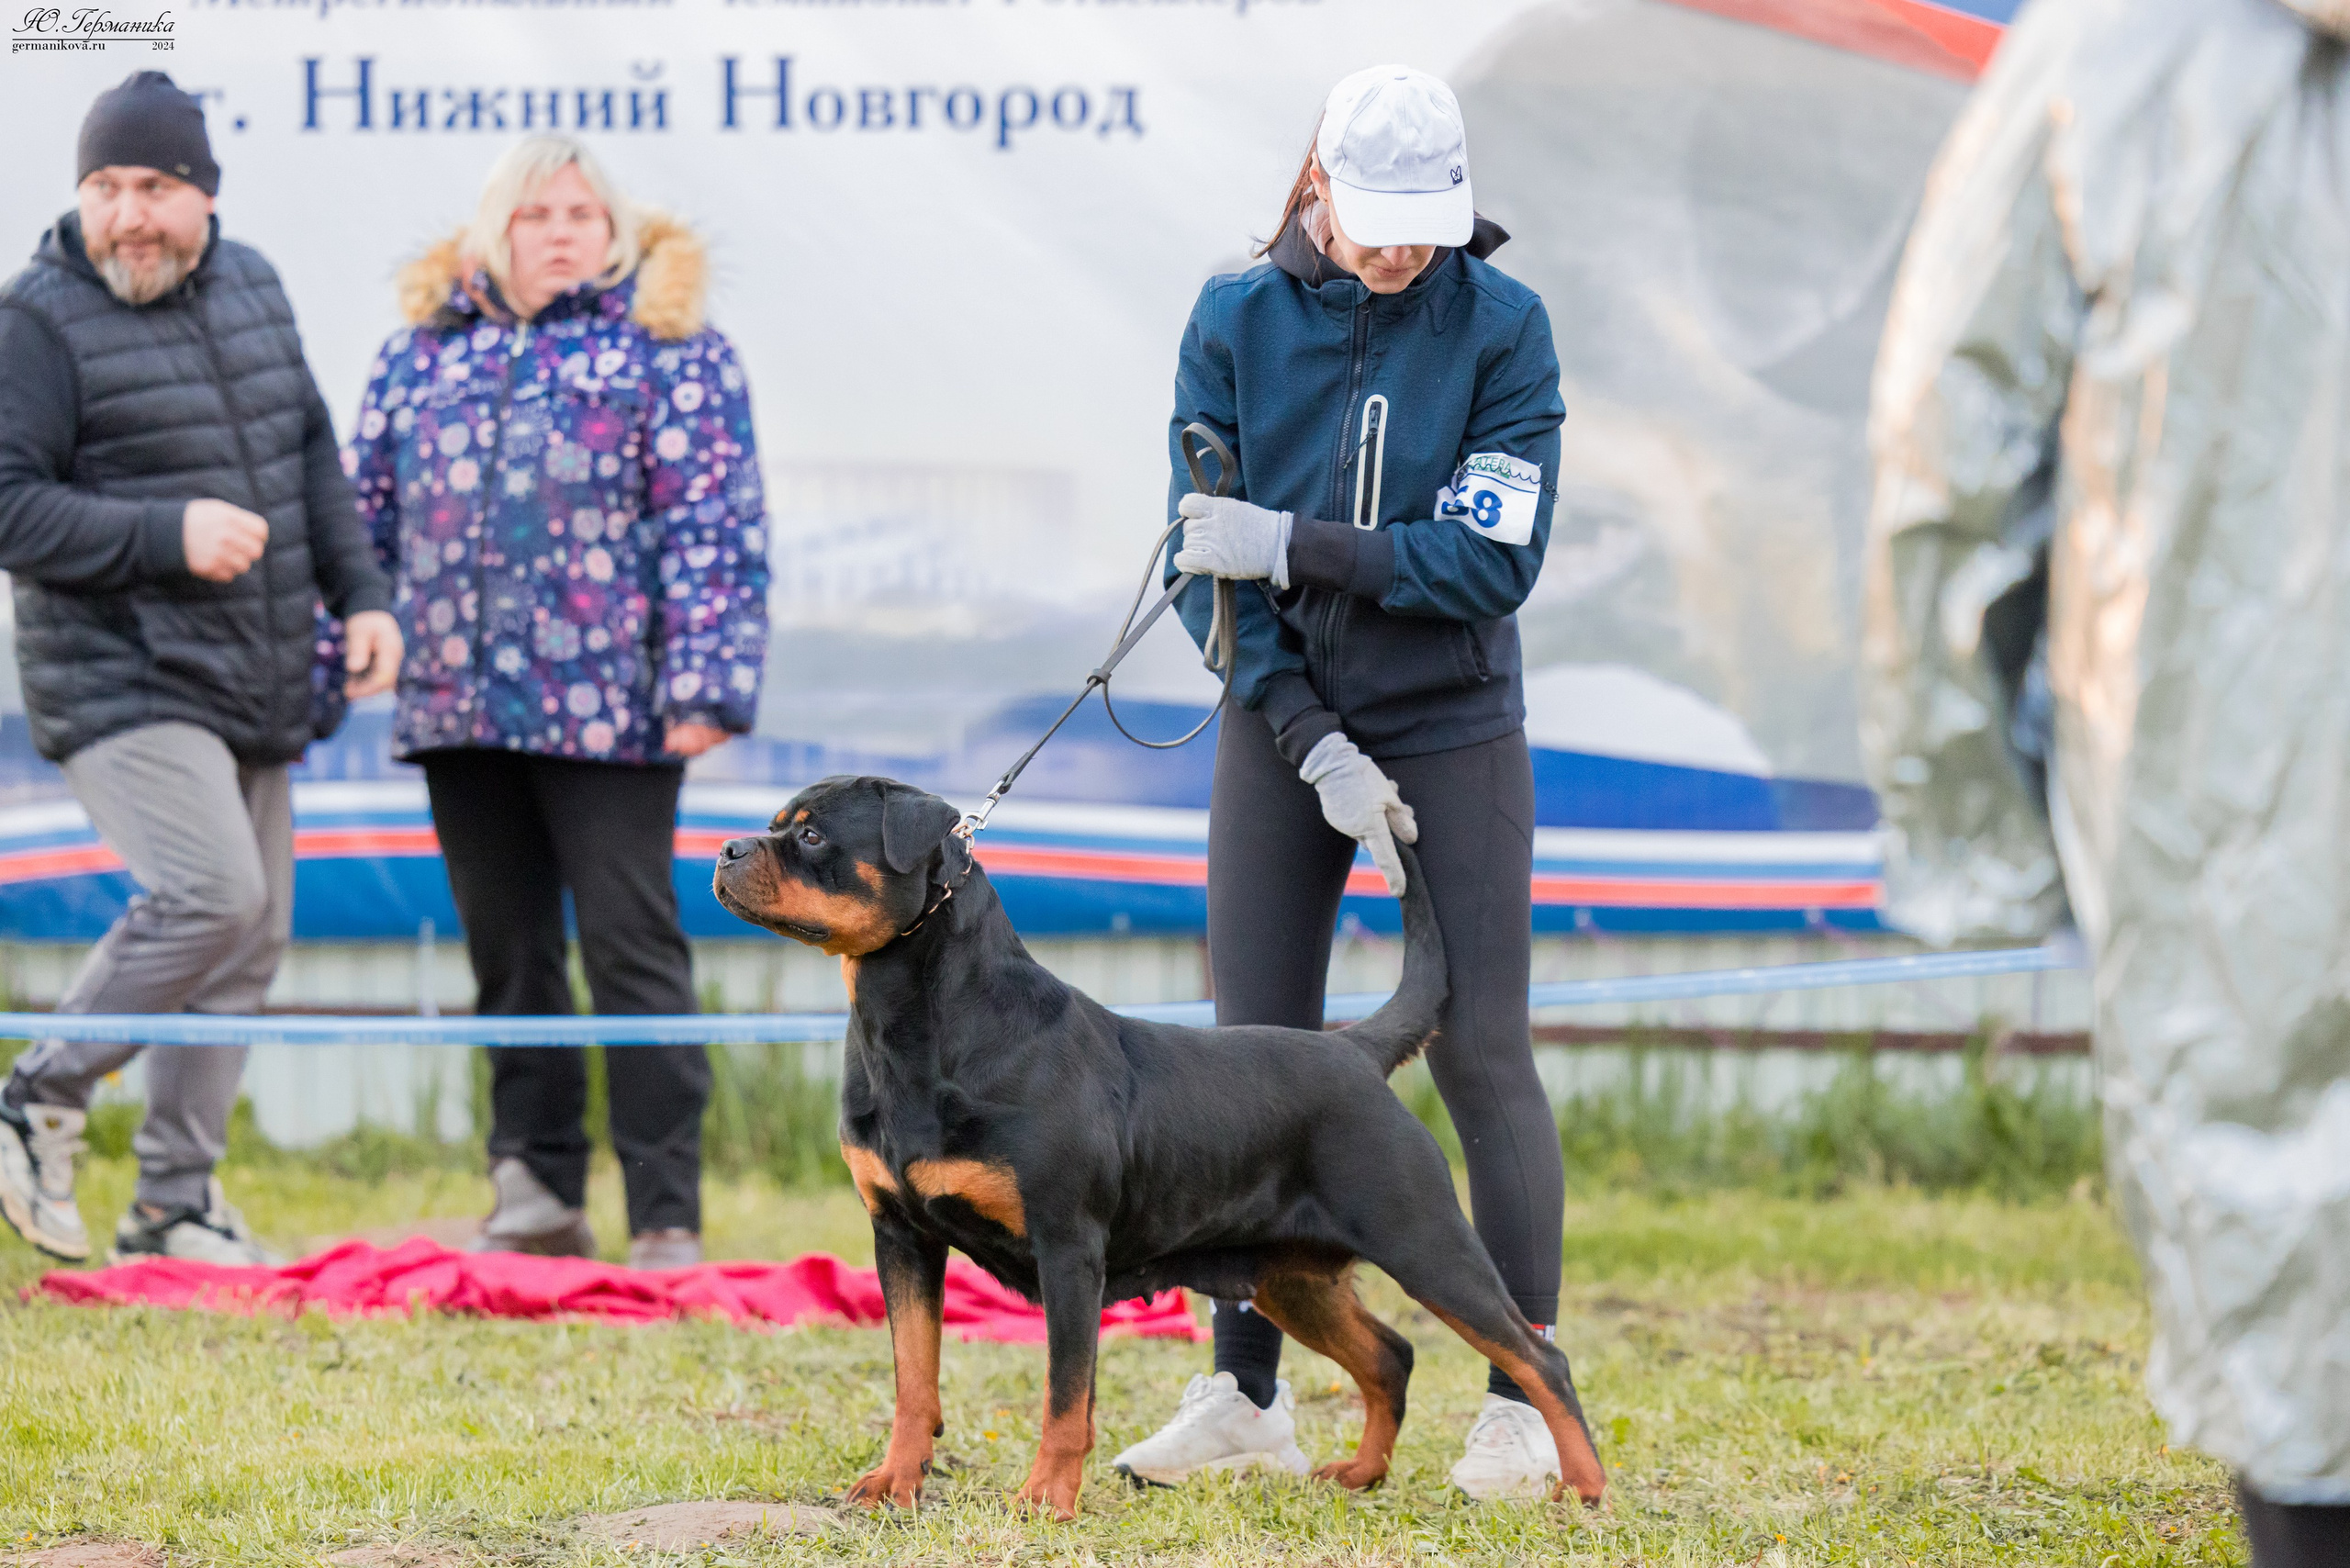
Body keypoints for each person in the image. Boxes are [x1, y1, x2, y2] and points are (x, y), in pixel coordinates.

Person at [1862, 1, 2350, 1560]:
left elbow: (1946, 452)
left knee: (2283, 1275)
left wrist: (1971, 838)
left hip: (2231, 809)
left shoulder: (2116, 50)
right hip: (2228, 799)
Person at [1112, 64, 1575, 1500]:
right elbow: (1209, 567)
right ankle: (1245, 1392)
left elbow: (1488, 561)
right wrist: (1309, 736)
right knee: (1249, 1058)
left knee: (1478, 1046)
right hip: (1281, 723)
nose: (1401, 252)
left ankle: (1522, 1395)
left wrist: (1297, 544)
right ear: (1318, 187)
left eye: (1425, 225)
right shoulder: (1233, 317)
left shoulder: (1504, 325)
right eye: (1378, 223)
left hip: (1454, 723)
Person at [0, 72, 403, 1266]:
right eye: (105, 188)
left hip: (253, 677)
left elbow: (310, 454)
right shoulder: (35, 320)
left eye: (155, 187)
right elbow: (9, 507)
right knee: (214, 895)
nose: (128, 214)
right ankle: (36, 1092)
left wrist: (364, 595)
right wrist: (164, 533)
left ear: (206, 196)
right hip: (119, 680)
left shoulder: (257, 285)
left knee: (251, 934)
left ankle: (173, 1204)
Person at [346, 135, 767, 1271]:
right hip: (456, 704)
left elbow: (715, 526)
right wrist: (346, 639)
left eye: (583, 213)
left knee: (633, 951)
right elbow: (361, 516)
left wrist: (704, 684)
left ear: (615, 229)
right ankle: (533, 1190)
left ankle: (666, 1213)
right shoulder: (419, 355)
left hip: (612, 712)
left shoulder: (674, 350)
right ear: (497, 232)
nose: (562, 232)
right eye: (536, 215)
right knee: (510, 956)